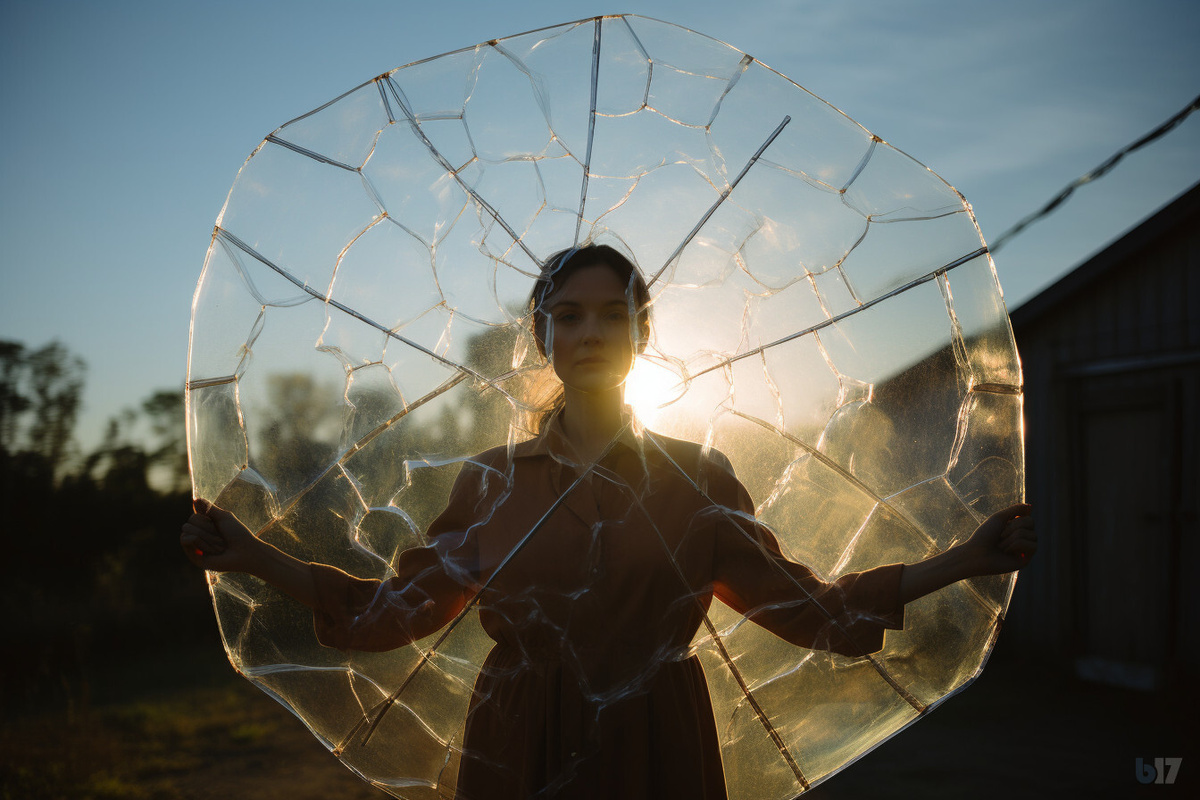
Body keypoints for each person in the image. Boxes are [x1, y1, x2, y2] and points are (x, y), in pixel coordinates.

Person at [181, 244, 1036, 800]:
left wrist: (964, 559)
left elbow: (814, 610)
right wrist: (250, 555)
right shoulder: (488, 484)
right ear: (541, 336)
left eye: (612, 315)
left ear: (644, 334)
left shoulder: (696, 480)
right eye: (568, 316)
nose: (589, 332)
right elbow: (387, 614)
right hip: (516, 746)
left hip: (656, 750)